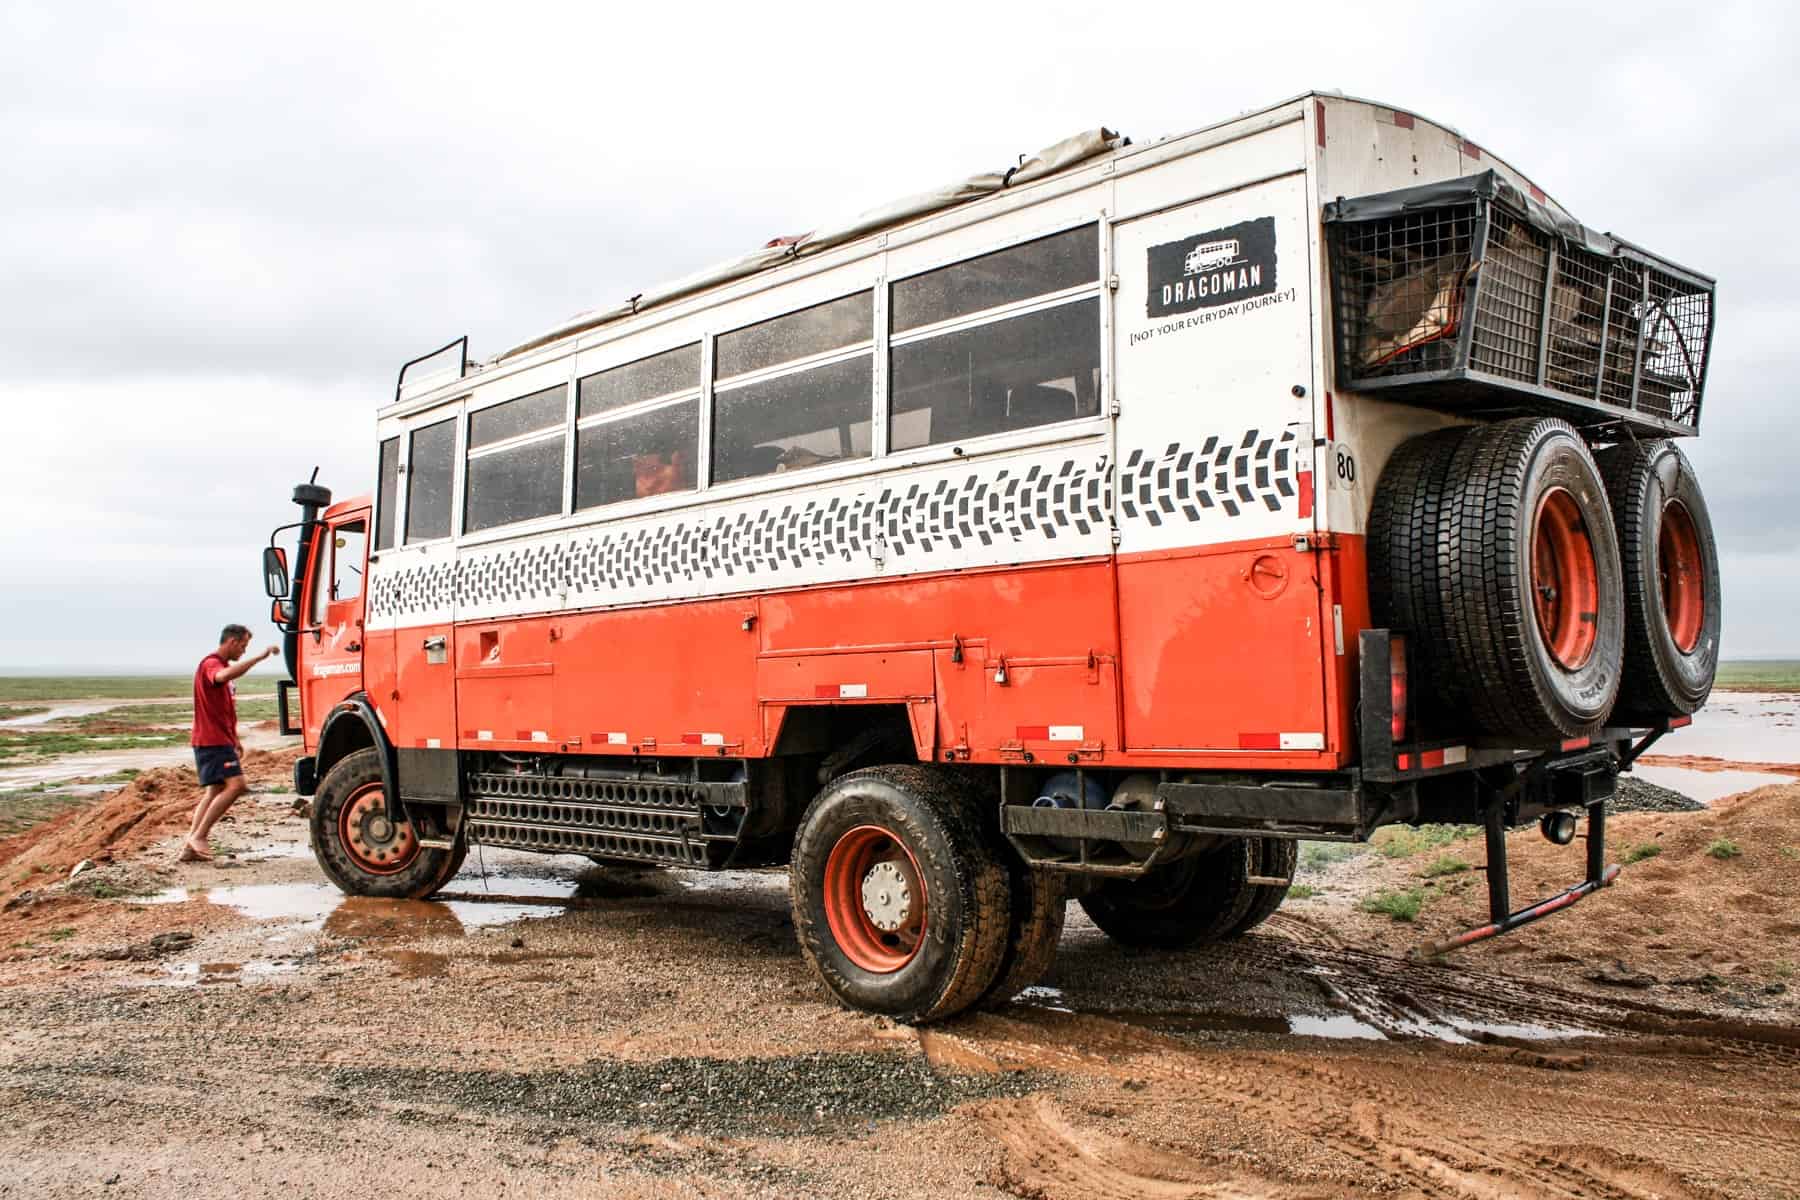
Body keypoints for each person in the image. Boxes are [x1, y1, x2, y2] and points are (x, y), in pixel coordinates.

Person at [181, 624, 279, 863]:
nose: (244, 651)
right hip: (211, 740)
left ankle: (190, 846)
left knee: (215, 790)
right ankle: (200, 837)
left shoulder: (220, 665)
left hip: (219, 739)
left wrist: (234, 739)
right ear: (232, 641)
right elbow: (221, 677)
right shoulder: (211, 664)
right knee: (236, 785)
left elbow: (224, 709)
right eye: (243, 646)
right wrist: (260, 657)